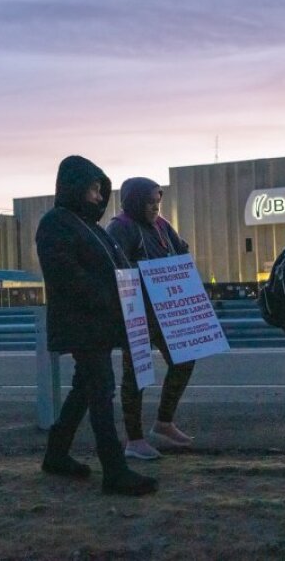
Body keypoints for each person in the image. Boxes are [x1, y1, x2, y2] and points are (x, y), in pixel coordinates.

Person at [36, 155, 158, 496]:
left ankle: (56, 453)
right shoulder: (56, 223)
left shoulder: (89, 227)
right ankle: (115, 470)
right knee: (101, 390)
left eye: (100, 188)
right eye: (92, 188)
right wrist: (108, 296)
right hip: (83, 323)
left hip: (97, 322)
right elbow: (65, 273)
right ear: (74, 187)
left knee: (84, 389)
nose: (97, 195)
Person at [106, 177, 196, 460]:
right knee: (136, 375)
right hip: (136, 314)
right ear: (134, 201)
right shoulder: (120, 227)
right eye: (150, 202)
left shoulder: (160, 225)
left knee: (184, 359)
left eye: (158, 202)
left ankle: (164, 422)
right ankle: (134, 440)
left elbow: (179, 250)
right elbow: (115, 268)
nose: (155, 207)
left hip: (165, 312)